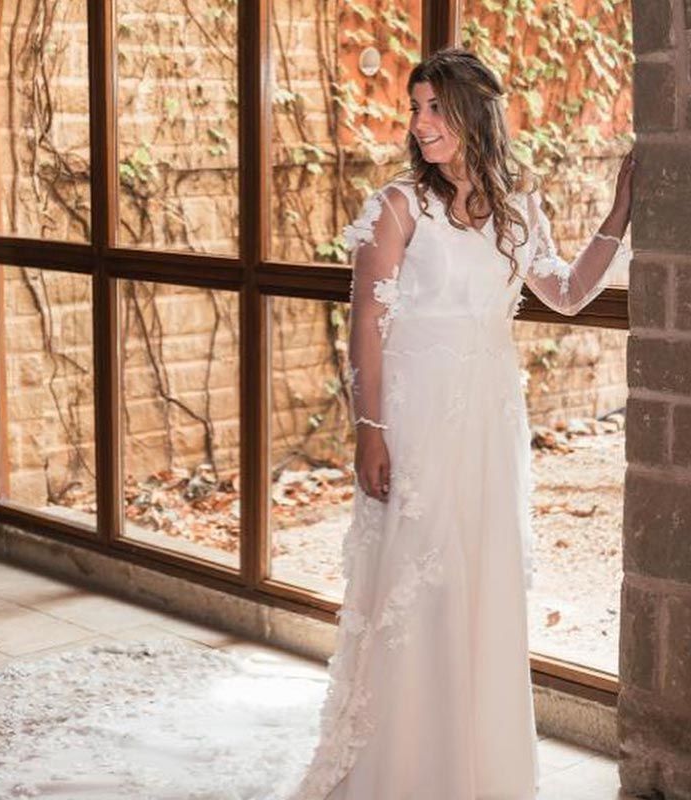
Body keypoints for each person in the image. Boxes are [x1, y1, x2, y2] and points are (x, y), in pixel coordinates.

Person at [286, 47, 634, 800]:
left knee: (481, 587)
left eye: (434, 107)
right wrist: (369, 430)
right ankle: (398, 774)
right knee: (420, 587)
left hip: (489, 424)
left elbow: (568, 292)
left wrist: (617, 213)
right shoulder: (399, 205)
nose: (419, 123)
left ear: (475, 113)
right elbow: (366, 328)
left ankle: (470, 772)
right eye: (414, 109)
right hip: (415, 420)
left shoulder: (520, 210)